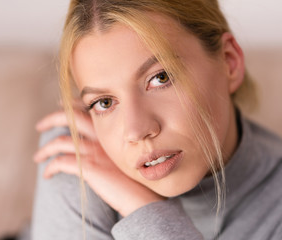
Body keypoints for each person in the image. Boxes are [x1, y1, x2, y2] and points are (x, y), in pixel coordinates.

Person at [31, 0, 282, 239]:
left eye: (161, 78)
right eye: (104, 103)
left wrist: (145, 211)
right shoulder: (78, 153)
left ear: (230, 62)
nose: (136, 131)